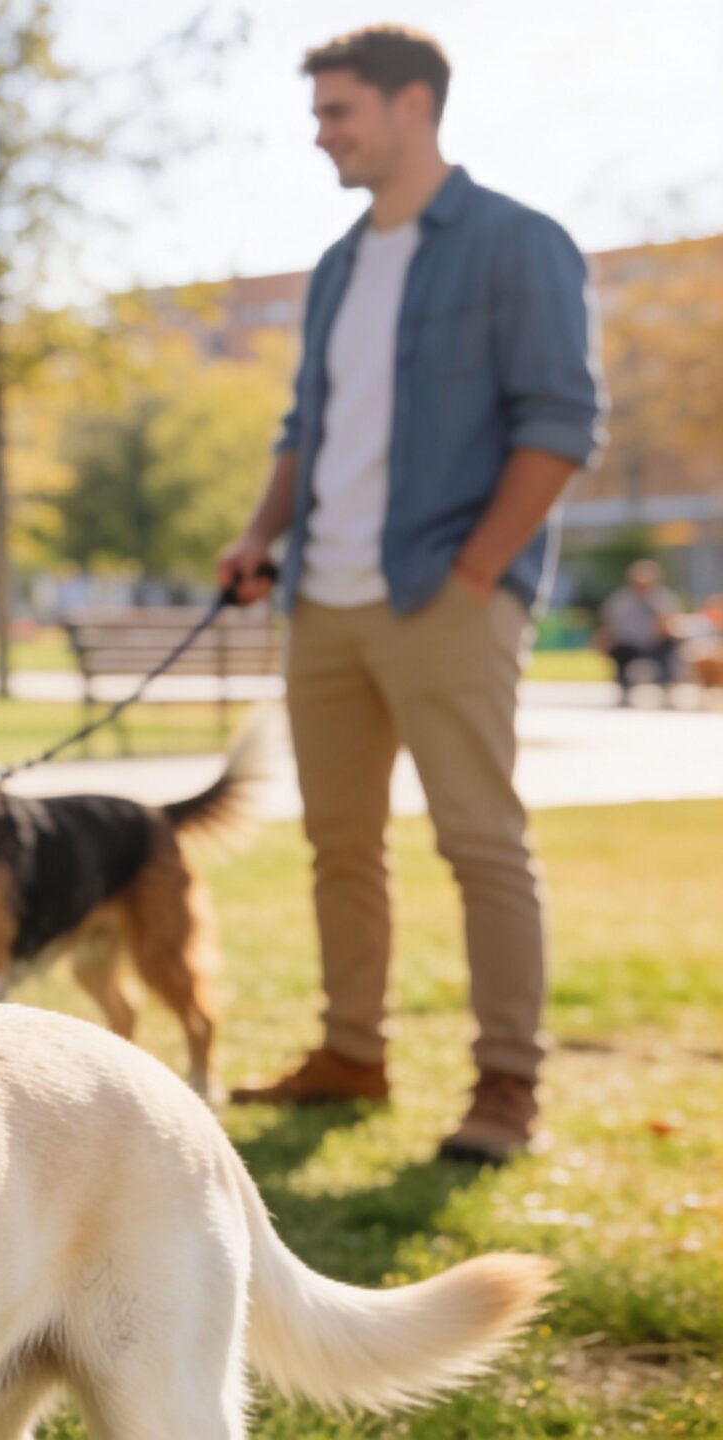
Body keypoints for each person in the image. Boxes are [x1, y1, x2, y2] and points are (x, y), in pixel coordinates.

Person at [216, 25, 605, 1163]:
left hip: (445, 590)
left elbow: (560, 422)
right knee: (339, 842)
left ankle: (506, 1088)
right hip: (321, 603)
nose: (321, 133)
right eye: (319, 113)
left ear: (411, 106)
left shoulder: (516, 243)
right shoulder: (340, 263)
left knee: (478, 841)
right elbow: (305, 429)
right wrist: (258, 536)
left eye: (338, 112)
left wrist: (479, 568)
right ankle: (351, 1054)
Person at [597, 559, 683, 705]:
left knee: (669, 649)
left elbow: (672, 624)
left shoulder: (664, 599)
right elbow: (609, 626)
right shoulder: (621, 600)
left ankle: (667, 689)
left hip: (656, 642)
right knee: (620, 652)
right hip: (628, 644)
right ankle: (624, 690)